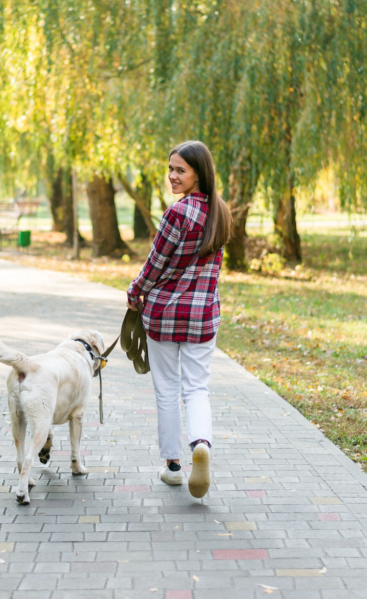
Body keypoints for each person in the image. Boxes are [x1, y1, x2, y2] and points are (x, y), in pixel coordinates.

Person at [126, 140, 232, 498]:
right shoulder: (221, 212)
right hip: (203, 316)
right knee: (197, 387)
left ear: (198, 174)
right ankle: (201, 443)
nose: (172, 176)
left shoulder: (177, 214)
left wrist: (135, 290)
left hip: (165, 315)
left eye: (180, 170)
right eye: (170, 168)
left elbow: (155, 265)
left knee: (168, 389)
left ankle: (173, 467)